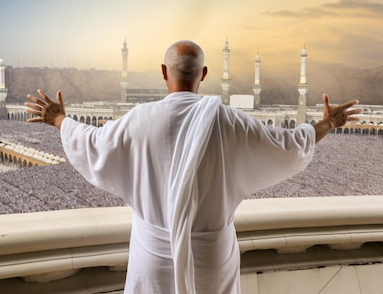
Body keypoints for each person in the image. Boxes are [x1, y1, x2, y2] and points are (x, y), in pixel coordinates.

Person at [25, 40, 361, 294]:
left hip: (153, 261)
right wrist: (327, 124)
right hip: (212, 261)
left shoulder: (140, 120)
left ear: (162, 72)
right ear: (203, 75)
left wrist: (60, 120)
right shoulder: (229, 121)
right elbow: (288, 146)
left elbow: (92, 144)